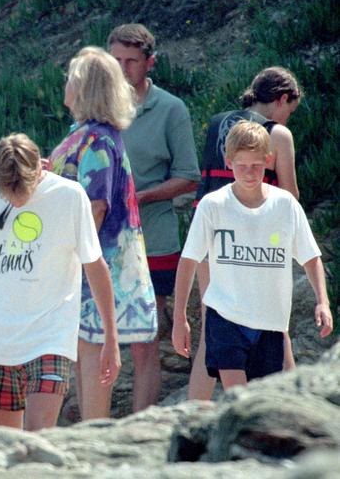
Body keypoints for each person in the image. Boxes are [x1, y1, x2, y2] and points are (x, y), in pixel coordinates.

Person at [0, 133, 121, 431]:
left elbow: (96, 267)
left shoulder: (69, 196)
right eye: (7, 191)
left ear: (40, 170)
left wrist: (111, 336)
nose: (16, 199)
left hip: (50, 337)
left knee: (36, 440)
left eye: (23, 189)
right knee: (6, 445)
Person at [172, 121, 333, 390]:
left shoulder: (285, 205)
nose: (249, 173)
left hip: (271, 321)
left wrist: (322, 301)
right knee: (239, 398)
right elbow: (188, 261)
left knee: (271, 404)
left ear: (268, 161)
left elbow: (310, 256)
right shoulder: (213, 206)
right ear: (228, 161)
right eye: (241, 165)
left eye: (256, 165)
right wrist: (180, 318)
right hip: (225, 315)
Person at [47, 47, 157, 420]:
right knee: (83, 351)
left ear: (86, 86)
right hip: (82, 265)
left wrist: (68, 257)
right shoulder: (83, 135)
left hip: (96, 265)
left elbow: (96, 206)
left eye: (72, 77)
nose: (66, 83)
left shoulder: (97, 140)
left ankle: (94, 436)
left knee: (93, 356)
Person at [189, 67, 303, 400]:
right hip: (252, 247)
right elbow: (289, 197)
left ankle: (192, 415)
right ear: (282, 99)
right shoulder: (277, 135)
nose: (287, 119)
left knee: (213, 332)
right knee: (275, 326)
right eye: (289, 111)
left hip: (211, 240)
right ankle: (296, 407)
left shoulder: (217, 124)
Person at [107, 23, 201, 411]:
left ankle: (139, 427)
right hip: (101, 238)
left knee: (145, 341)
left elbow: (189, 177)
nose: (123, 68)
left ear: (151, 62)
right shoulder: (98, 107)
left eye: (131, 61)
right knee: (96, 335)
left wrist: (142, 196)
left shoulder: (170, 109)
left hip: (153, 239)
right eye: (115, 61)